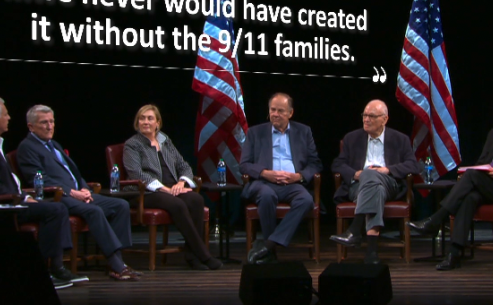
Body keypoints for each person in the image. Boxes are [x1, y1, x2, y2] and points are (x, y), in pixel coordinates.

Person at [409, 90, 493, 270]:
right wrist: (479, 169)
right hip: (487, 184)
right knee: (469, 197)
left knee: (471, 176)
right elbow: (483, 162)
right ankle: (454, 254)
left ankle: (436, 220)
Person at [16, 105, 140, 281]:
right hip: (57, 198)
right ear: (31, 126)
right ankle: (117, 265)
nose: (50, 126)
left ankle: (117, 261)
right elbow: (39, 180)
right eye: (44, 123)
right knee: (94, 211)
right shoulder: (27, 147)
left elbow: (73, 173)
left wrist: (84, 189)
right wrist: (72, 193)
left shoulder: (54, 144)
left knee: (121, 205)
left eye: (52, 121)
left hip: (77, 192)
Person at [123, 104, 222, 271]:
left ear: (158, 123)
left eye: (150, 118)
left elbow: (183, 165)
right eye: (142, 118)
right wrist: (166, 190)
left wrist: (181, 183)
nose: (145, 122)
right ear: (137, 122)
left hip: (172, 188)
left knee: (196, 199)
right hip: (145, 192)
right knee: (177, 204)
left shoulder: (165, 140)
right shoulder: (132, 145)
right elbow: (137, 174)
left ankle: (192, 256)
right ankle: (204, 255)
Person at [0, 98, 82, 289]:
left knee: (56, 208)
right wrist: (20, 198)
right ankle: (48, 270)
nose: (9, 117)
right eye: (5, 114)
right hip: (6, 206)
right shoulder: (27, 147)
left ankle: (55, 267)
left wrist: (25, 196)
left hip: (17, 200)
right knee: (56, 209)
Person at [329, 100, 421, 264]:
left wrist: (388, 170)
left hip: (390, 184)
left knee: (372, 176)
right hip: (358, 186)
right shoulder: (352, 138)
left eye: (371, 116)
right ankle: (371, 253)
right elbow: (337, 164)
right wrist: (356, 173)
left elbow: (413, 165)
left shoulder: (400, 139)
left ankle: (355, 230)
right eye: (364, 115)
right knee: (372, 183)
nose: (366, 119)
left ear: (384, 119)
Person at [240, 93, 322, 264]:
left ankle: (268, 246)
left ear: (290, 113)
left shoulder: (303, 131)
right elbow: (244, 165)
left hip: (292, 183)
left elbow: (315, 163)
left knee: (306, 200)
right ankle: (270, 251)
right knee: (267, 196)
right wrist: (264, 172)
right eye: (272, 110)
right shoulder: (255, 132)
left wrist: (298, 176)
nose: (275, 114)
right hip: (264, 183)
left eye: (280, 111)